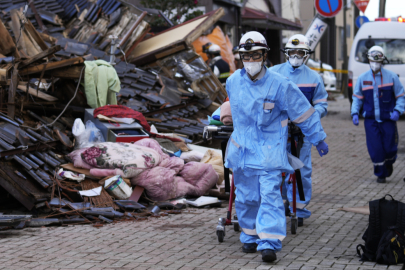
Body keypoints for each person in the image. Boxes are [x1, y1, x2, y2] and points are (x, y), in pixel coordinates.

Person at [225, 31, 329, 262]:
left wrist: (318, 138)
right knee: (246, 197)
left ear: (264, 55)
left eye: (255, 55)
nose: (251, 60)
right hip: (242, 152)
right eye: (246, 56)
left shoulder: (281, 85)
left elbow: (303, 113)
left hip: (270, 152)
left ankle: (269, 242)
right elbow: (230, 109)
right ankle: (250, 236)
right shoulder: (233, 82)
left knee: (270, 196)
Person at [269, 34, 328, 227]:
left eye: (300, 52)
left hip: (303, 133)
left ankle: (299, 208)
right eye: (292, 52)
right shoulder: (273, 73)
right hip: (277, 132)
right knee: (276, 168)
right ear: (286, 53)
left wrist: (311, 116)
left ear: (306, 54)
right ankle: (278, 204)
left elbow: (321, 104)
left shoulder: (313, 78)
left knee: (302, 170)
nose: (295, 55)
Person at [351, 45, 404, 183]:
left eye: (378, 61)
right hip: (371, 120)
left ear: (382, 61)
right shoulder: (362, 79)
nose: (375, 63)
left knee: (390, 147)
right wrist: (355, 113)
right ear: (368, 60)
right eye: (372, 60)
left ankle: (389, 162)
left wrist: (398, 111)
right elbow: (357, 97)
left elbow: (401, 96)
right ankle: (381, 173)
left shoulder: (391, 77)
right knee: (375, 148)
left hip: (388, 119)